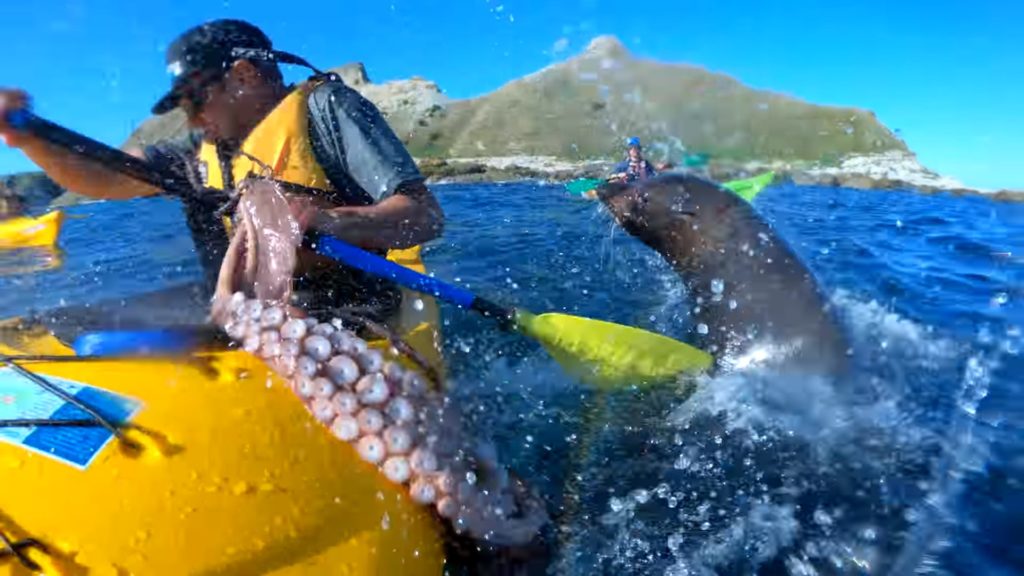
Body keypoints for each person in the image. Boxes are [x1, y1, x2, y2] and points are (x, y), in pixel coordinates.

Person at [0, 19, 444, 325]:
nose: (191, 118)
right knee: (68, 322)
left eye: (195, 98)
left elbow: (424, 215)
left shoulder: (327, 109)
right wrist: (29, 137)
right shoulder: (204, 153)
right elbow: (111, 177)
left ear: (246, 75)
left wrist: (331, 222)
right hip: (241, 310)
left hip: (348, 310)